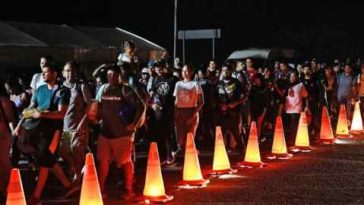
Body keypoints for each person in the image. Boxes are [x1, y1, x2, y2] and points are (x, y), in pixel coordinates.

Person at [14, 65, 74, 205]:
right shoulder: (40, 89)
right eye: (43, 72)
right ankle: (68, 185)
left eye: (46, 72)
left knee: (44, 161)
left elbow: (61, 113)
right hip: (37, 129)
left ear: (54, 73)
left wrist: (42, 114)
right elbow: (30, 108)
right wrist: (20, 124)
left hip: (52, 132)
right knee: (48, 160)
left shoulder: (63, 91)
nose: (43, 75)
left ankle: (36, 196)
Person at [95, 64, 145, 199]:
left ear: (119, 76)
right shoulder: (104, 89)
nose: (111, 77)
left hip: (121, 135)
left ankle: (129, 190)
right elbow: (98, 106)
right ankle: (101, 189)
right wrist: (96, 117)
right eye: (109, 75)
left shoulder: (125, 90)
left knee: (125, 162)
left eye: (114, 75)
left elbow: (141, 106)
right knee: (103, 162)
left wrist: (133, 125)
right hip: (105, 133)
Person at [59, 61, 92, 187]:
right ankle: (76, 171)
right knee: (63, 151)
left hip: (78, 127)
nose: (70, 73)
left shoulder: (81, 86)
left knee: (78, 153)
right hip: (64, 128)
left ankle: (80, 183)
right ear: (63, 73)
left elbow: (91, 106)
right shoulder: (61, 87)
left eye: (72, 70)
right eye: (67, 71)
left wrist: (83, 123)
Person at [149, 62, 178, 164]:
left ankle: (171, 154)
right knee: (160, 134)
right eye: (157, 69)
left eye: (161, 68)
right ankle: (164, 156)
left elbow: (177, 94)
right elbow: (152, 93)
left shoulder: (173, 79)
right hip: (158, 110)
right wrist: (152, 103)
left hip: (170, 109)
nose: (159, 71)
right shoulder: (156, 79)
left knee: (169, 133)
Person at [174, 64, 204, 151]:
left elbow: (201, 102)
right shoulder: (178, 84)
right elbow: (176, 100)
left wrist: (193, 115)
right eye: (183, 71)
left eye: (187, 71)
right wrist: (175, 113)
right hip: (180, 112)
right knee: (180, 137)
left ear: (191, 72)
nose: (185, 73)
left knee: (190, 136)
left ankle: (192, 154)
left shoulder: (196, 84)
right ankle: (181, 154)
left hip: (192, 111)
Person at [216, 63, 245, 153]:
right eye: (224, 70)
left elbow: (245, 96)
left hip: (234, 113)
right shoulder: (218, 84)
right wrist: (220, 105)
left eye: (228, 70)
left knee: (236, 133)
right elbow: (214, 98)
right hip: (222, 113)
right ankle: (222, 152)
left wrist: (235, 103)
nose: (226, 72)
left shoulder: (236, 82)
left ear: (231, 71)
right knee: (222, 133)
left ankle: (242, 151)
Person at [0, 83, 16, 202]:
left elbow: (10, 118)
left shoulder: (3, 100)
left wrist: (13, 133)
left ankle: (11, 190)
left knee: (4, 164)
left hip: (3, 136)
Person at [284, 71, 309, 146]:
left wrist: (307, 106)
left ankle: (293, 140)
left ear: (296, 77)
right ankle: (288, 140)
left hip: (297, 108)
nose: (292, 78)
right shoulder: (287, 86)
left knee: (293, 124)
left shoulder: (300, 85)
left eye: (294, 76)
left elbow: (306, 96)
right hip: (288, 108)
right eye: (291, 76)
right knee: (288, 125)